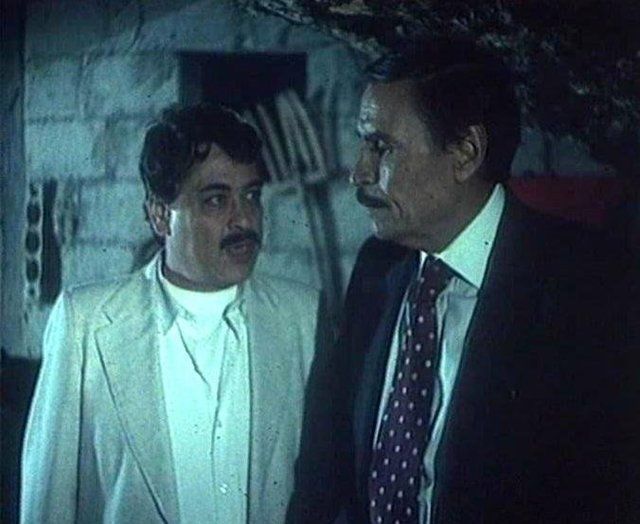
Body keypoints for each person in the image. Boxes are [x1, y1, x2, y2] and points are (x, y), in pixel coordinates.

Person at [298, 39, 638, 523]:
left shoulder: (589, 288)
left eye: (381, 146)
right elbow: (334, 472)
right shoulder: (378, 268)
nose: (358, 173)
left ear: (465, 153)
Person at [21, 103, 326, 523]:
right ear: (160, 215)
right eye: (216, 200)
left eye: (251, 196)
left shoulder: (303, 317)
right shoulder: (85, 324)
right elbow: (47, 503)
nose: (244, 219)